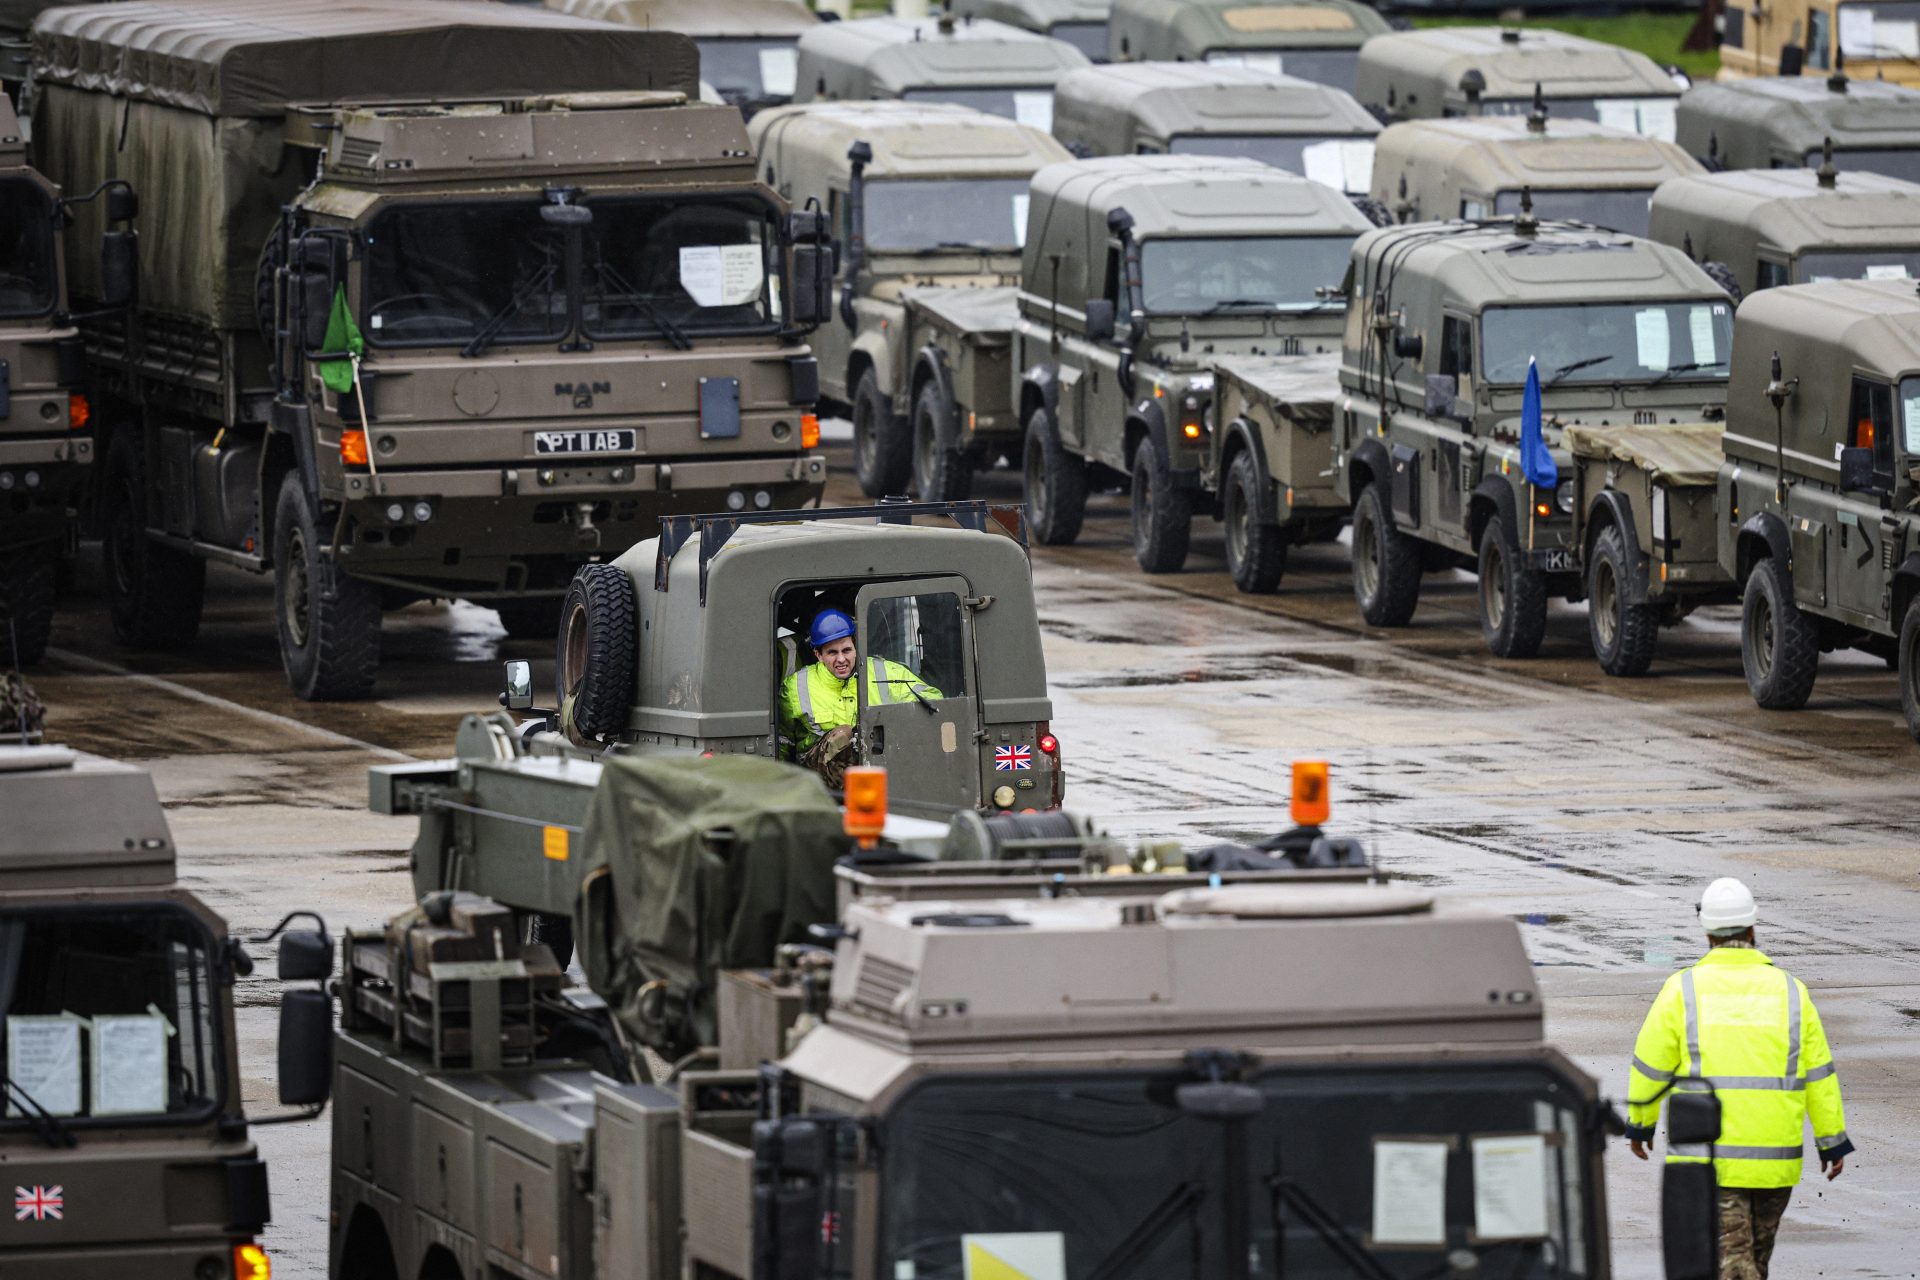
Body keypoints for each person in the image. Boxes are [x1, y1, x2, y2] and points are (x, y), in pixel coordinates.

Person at [1625, 877, 1852, 1280]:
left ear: (1707, 932)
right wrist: (1832, 1141)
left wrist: (1640, 1122)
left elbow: (1650, 1065)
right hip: (1775, 1164)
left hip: (1709, 1163)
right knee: (1751, 1267)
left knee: (1734, 1270)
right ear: (1752, 928)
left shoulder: (1683, 990)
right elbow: (1818, 1073)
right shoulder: (1791, 991)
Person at [778, 608, 939, 787]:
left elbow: (934, 701)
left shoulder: (885, 672)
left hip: (878, 765)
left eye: (846, 650)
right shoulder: (796, 687)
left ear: (856, 647)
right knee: (844, 735)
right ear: (819, 655)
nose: (841, 659)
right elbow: (782, 741)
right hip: (819, 777)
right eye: (832, 652)